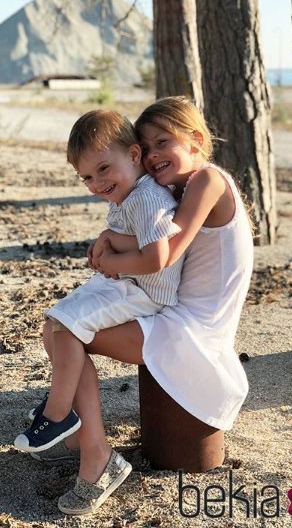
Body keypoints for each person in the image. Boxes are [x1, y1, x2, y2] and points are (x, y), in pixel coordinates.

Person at [29, 96, 254, 515]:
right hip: (172, 313)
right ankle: (86, 443)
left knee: (68, 331)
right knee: (59, 328)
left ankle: (92, 454)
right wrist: (109, 239)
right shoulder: (175, 189)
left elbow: (166, 252)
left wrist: (111, 255)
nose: (152, 156)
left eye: (162, 142)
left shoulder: (208, 182)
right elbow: (153, 239)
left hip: (192, 330)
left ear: (196, 139)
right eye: (146, 147)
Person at [14, 110, 184, 457]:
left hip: (147, 292)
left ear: (134, 155)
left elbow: (156, 259)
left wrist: (111, 262)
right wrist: (109, 240)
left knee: (67, 325)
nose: (96, 183)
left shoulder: (148, 200)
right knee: (56, 320)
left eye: (104, 169)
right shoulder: (131, 195)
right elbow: (133, 241)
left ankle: (58, 413)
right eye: (87, 177)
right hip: (129, 282)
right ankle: (64, 405)